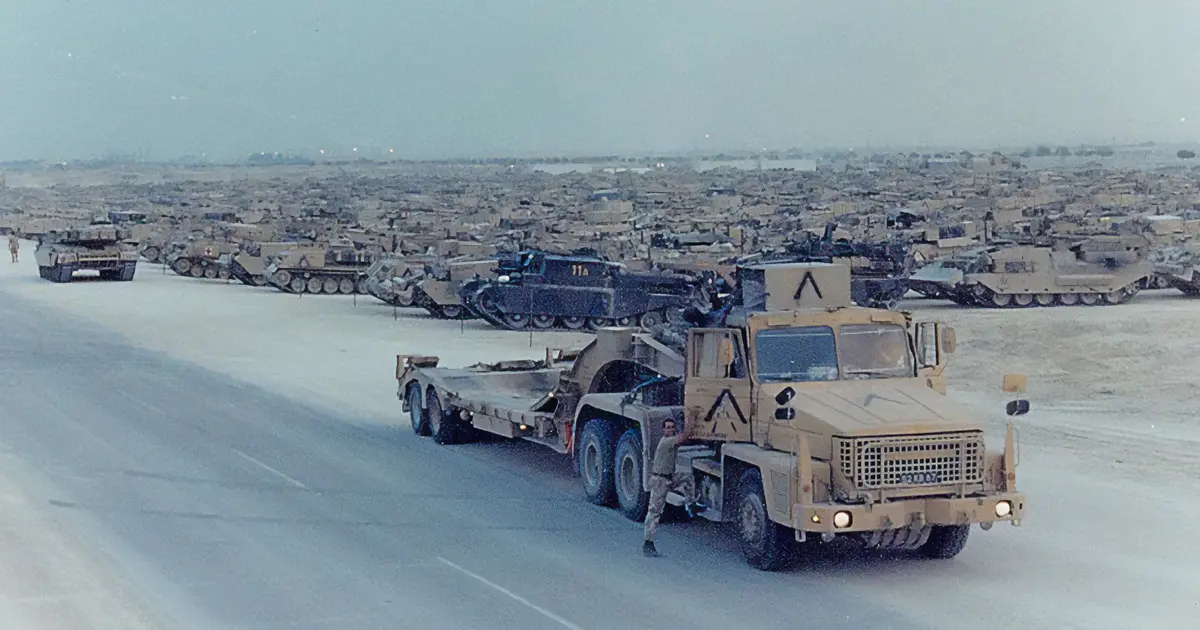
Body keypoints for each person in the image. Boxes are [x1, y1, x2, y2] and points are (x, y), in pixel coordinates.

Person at [643, 409, 707, 558]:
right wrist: (692, 418)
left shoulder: (671, 442)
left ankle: (691, 503)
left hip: (669, 478)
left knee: (688, 478)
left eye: (672, 427)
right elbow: (685, 436)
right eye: (668, 428)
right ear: (663, 430)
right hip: (660, 481)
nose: (671, 430)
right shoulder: (666, 442)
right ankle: (648, 543)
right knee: (654, 512)